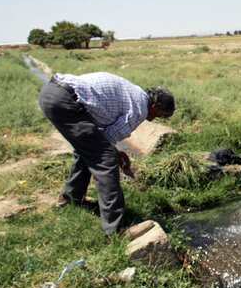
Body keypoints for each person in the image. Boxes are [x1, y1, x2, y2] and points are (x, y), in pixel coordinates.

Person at [38, 72, 175, 237]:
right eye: (159, 115)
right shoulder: (139, 109)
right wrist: (115, 156)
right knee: (106, 161)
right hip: (65, 101)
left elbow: (102, 141)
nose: (154, 119)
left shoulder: (135, 93)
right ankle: (115, 229)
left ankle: (70, 199)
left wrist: (117, 152)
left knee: (87, 151)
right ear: (155, 106)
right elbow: (106, 145)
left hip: (53, 92)